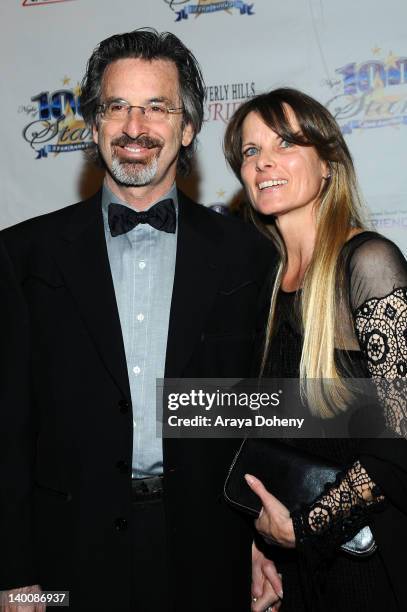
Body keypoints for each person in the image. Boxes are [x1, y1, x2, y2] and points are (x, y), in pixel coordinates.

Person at [0, 29, 275, 612]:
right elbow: (7, 428)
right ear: (94, 124)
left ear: (188, 128)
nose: (134, 126)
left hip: (211, 548)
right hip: (64, 556)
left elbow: (266, 407)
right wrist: (14, 575)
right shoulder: (23, 256)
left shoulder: (248, 254)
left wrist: (261, 537)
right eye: (117, 106)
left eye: (157, 107)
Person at [223, 87, 407, 612]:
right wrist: (261, 545)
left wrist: (305, 528)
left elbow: (402, 440)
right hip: (297, 570)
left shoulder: (367, 263)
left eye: (285, 143)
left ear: (327, 163)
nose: (264, 163)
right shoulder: (264, 285)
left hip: (372, 571)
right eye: (251, 151)